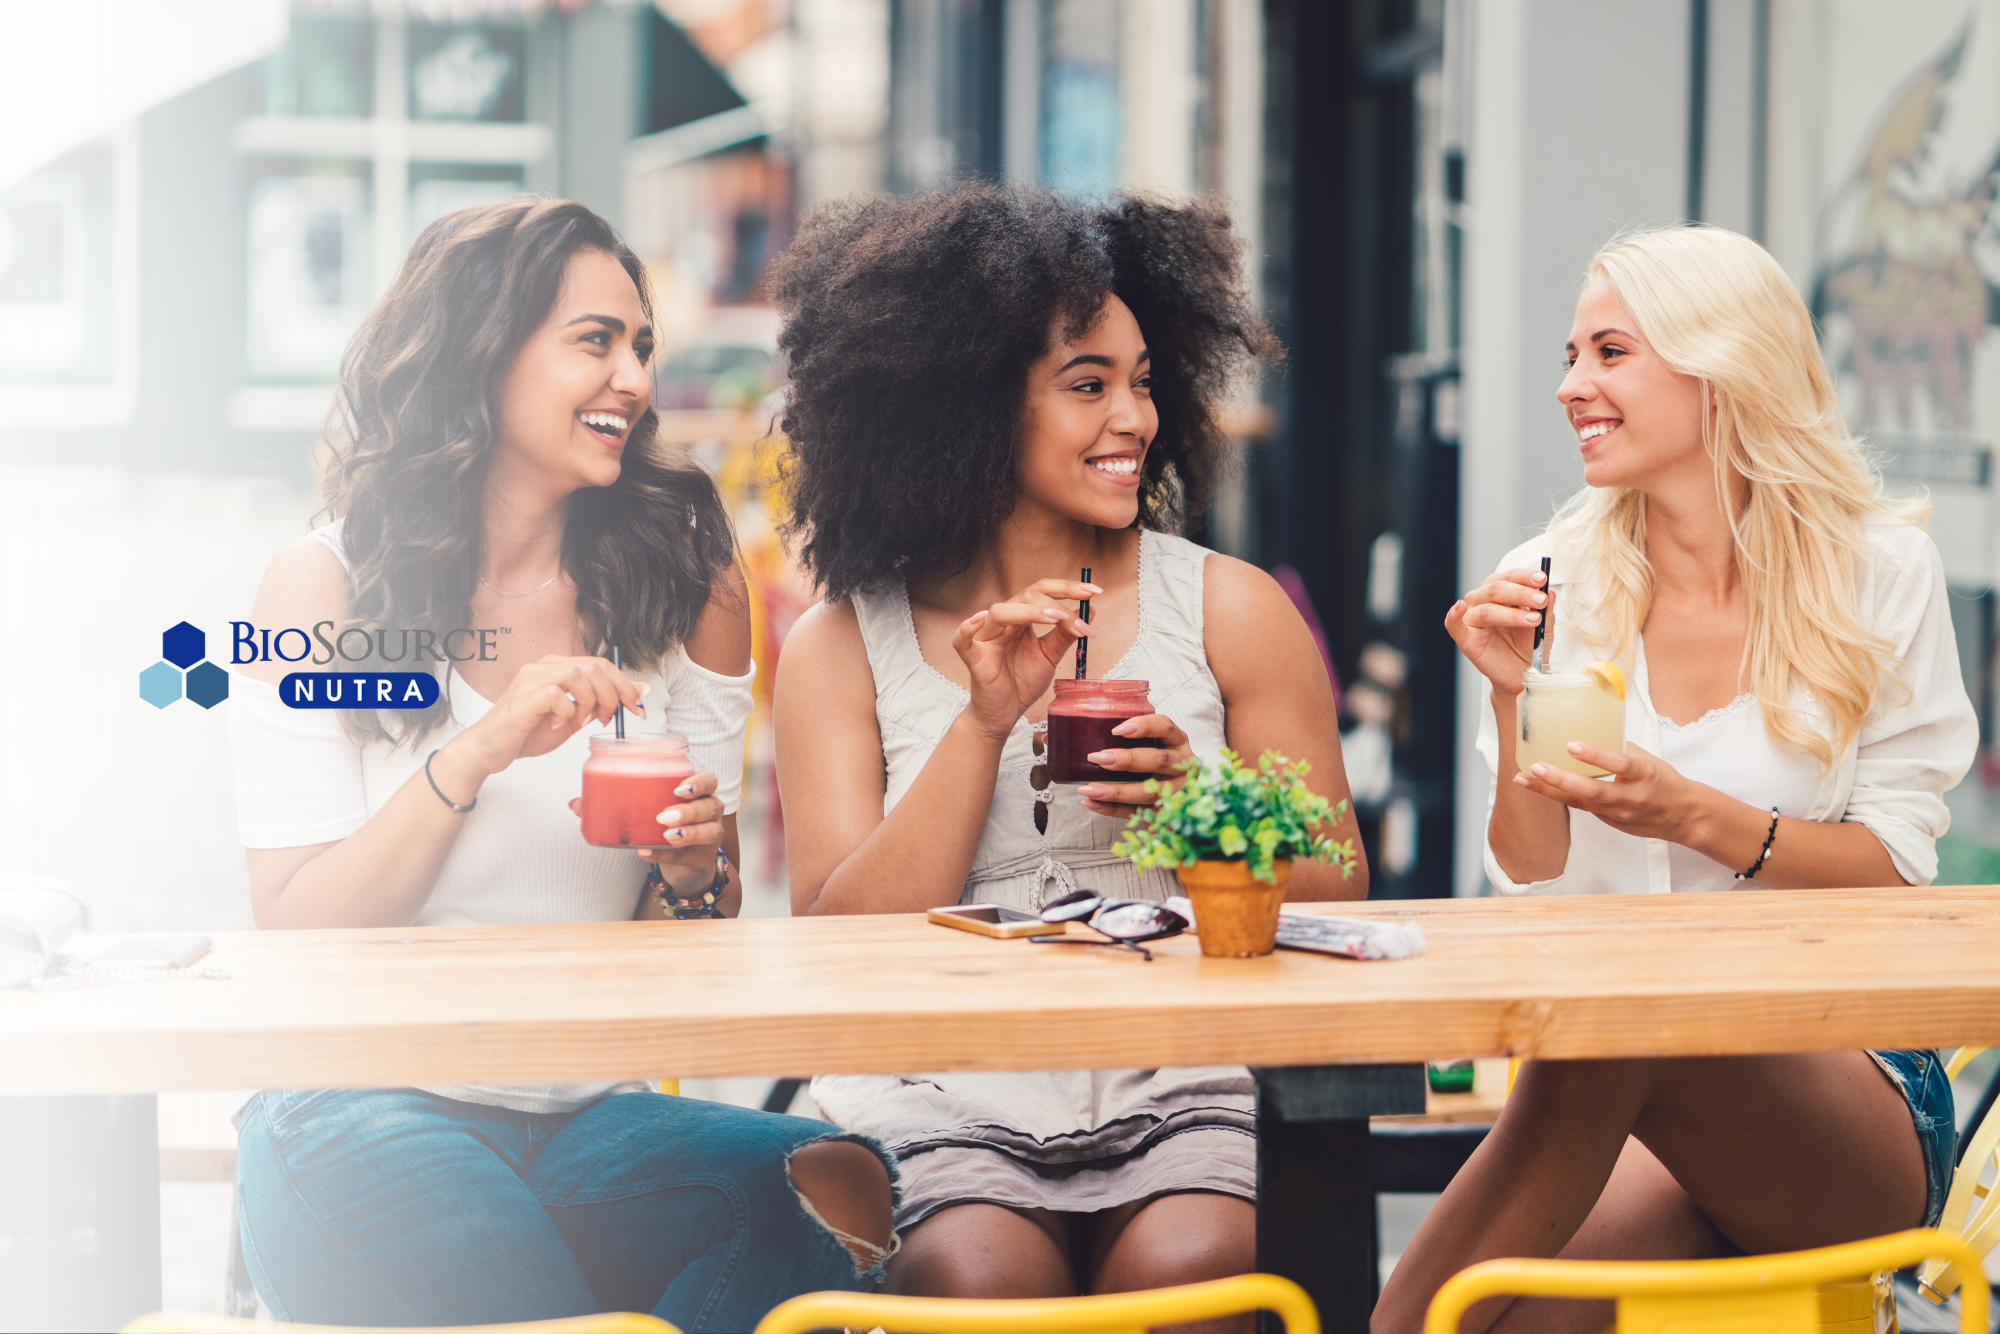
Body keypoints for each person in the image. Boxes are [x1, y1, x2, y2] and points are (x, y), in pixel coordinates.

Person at [228, 199, 894, 1331]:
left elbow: (695, 936)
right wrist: (475, 753)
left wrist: (689, 878)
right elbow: (295, 926)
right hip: (356, 1099)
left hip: (589, 1111)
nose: (631, 376)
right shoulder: (327, 588)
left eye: (640, 345)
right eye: (595, 340)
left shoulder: (684, 581)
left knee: (841, 1186)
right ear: (483, 352)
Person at [769, 186, 1366, 1318]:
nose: (1132, 417)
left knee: (1188, 1276)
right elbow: (841, 946)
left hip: (1177, 1065)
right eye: (1086, 385)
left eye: (1141, 381)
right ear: (963, 406)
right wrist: (981, 722)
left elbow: (1338, 884)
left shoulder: (1231, 611)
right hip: (936, 1078)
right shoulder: (842, 645)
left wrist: (1205, 802)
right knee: (983, 1279)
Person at [1374, 225, 1975, 1334]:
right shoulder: (1550, 580)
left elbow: (1896, 874)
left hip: (1845, 1086)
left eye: (1609, 352)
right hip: (1619, 1096)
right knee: (1505, 1317)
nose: (1569, 385)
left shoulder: (1876, 572)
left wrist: (1693, 815)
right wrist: (1507, 700)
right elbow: (1527, 872)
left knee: (1629, 1008)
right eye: (1569, 355)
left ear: (1721, 365)